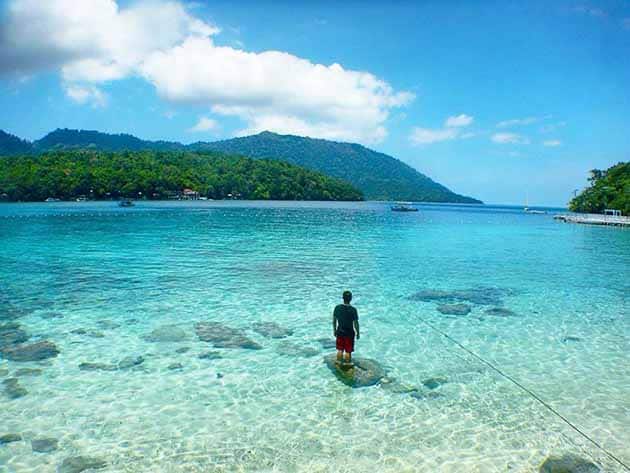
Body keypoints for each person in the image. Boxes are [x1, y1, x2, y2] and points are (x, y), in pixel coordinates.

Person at [332, 290, 360, 366]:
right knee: (348, 351)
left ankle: (338, 362)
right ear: (351, 298)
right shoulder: (353, 310)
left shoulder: (337, 308)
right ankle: (348, 364)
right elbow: (356, 323)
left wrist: (334, 330)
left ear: (343, 298)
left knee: (340, 349)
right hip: (349, 333)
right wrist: (358, 333)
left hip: (340, 331)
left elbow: (334, 321)